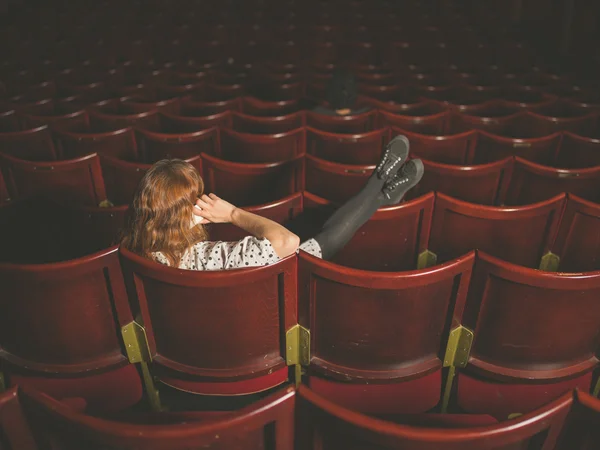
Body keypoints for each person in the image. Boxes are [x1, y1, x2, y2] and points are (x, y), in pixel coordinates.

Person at [120, 135, 424, 270]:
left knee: (314, 222)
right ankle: (380, 184)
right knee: (322, 240)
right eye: (195, 199)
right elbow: (287, 242)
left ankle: (383, 196)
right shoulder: (208, 258)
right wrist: (233, 214)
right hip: (281, 294)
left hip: (232, 319)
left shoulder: (134, 254)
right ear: (181, 215)